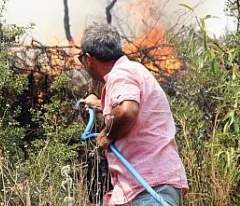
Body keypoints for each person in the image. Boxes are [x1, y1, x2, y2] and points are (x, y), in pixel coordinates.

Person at [78, 23, 189, 206]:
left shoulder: (120, 74)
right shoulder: (132, 70)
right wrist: (99, 104)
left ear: (89, 59)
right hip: (144, 186)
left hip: (150, 186)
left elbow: (127, 110)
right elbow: (126, 106)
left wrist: (107, 134)